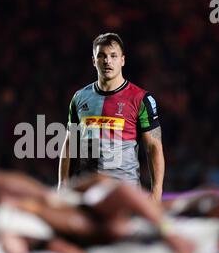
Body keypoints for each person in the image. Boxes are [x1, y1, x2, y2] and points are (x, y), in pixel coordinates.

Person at [58, 33, 165, 204]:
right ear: (94, 61)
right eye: (101, 56)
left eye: (113, 56)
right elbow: (70, 143)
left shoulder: (141, 99)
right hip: (86, 192)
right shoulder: (79, 98)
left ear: (122, 60)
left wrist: (156, 192)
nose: (107, 61)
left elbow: (154, 146)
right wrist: (63, 184)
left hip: (124, 193)